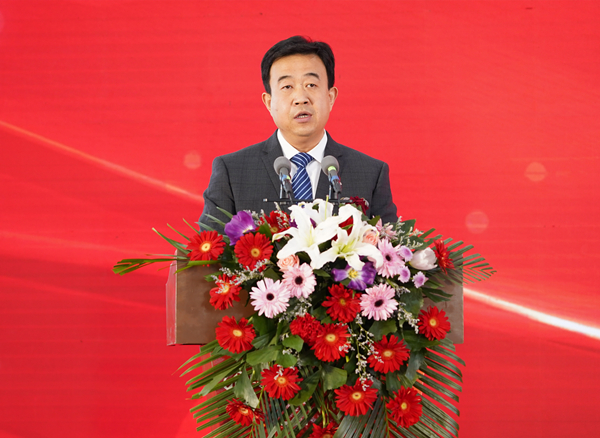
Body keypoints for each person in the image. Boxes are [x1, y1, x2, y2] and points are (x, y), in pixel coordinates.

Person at [199, 36, 397, 229]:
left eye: (311, 85)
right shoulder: (232, 172)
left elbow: (392, 246)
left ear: (330, 97)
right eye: (287, 86)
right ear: (269, 102)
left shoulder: (371, 173)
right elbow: (209, 247)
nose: (301, 98)